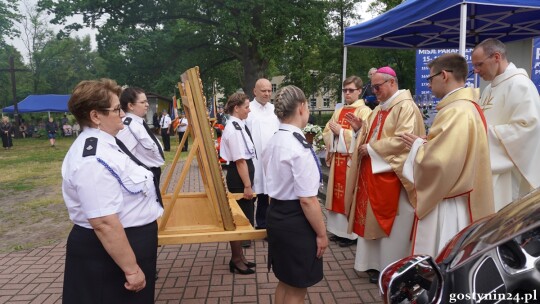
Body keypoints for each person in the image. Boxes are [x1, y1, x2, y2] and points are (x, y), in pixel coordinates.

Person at [61, 78, 163, 304]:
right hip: (111, 254)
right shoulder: (93, 158)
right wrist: (131, 269)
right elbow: (104, 222)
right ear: (96, 116)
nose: (123, 114)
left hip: (126, 244)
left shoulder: (108, 143)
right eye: (117, 109)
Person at [401, 54, 495, 258]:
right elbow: (452, 151)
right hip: (456, 195)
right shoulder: (464, 107)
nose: (429, 85)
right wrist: (428, 143)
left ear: (443, 75)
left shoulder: (456, 111)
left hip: (447, 201)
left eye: (430, 79)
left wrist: (418, 146)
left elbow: (441, 162)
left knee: (440, 254)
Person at [345, 66, 425, 284]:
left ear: (392, 82)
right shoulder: (380, 108)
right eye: (372, 86)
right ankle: (371, 263)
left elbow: (404, 140)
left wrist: (371, 149)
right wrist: (359, 129)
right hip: (373, 174)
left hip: (393, 178)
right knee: (370, 220)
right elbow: (371, 133)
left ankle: (389, 267)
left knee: (392, 226)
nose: (374, 90)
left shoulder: (405, 107)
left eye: (377, 86)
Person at [262, 85, 328, 304]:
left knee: (285, 281)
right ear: (301, 107)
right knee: (298, 288)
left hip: (277, 214)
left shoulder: (273, 141)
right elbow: (308, 200)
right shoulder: (299, 146)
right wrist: (321, 234)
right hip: (296, 220)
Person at [472, 38, 540, 212]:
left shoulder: (521, 85)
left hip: (509, 175)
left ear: (496, 57)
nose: (476, 70)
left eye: (479, 64)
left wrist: (479, 135)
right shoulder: (489, 89)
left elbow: (528, 129)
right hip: (487, 169)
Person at [322, 76, 371, 247]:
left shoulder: (365, 111)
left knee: (349, 195)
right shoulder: (339, 110)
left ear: (359, 91)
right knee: (337, 195)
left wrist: (342, 132)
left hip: (351, 162)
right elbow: (327, 130)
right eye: (345, 90)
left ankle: (351, 235)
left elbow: (365, 136)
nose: (347, 93)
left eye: (351, 90)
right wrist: (334, 133)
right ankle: (338, 231)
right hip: (338, 160)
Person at [220, 92, 257, 275]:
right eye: (246, 107)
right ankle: (235, 259)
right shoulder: (233, 128)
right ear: (237, 108)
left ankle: (240, 256)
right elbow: (240, 160)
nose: (249, 110)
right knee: (239, 220)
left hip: (243, 175)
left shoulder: (239, 124)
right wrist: (247, 186)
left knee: (245, 218)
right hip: (239, 178)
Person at [116, 87, 165, 206]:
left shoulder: (138, 123)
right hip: (143, 175)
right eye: (142, 102)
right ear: (131, 106)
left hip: (151, 173)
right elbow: (121, 156)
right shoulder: (128, 126)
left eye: (146, 101)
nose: (147, 105)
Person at [245, 78, 280, 230]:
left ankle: (264, 225)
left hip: (271, 158)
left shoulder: (275, 109)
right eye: (263, 91)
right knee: (252, 192)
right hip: (253, 158)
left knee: (267, 192)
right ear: (255, 91)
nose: (267, 94)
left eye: (269, 90)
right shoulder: (248, 109)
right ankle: (247, 226)